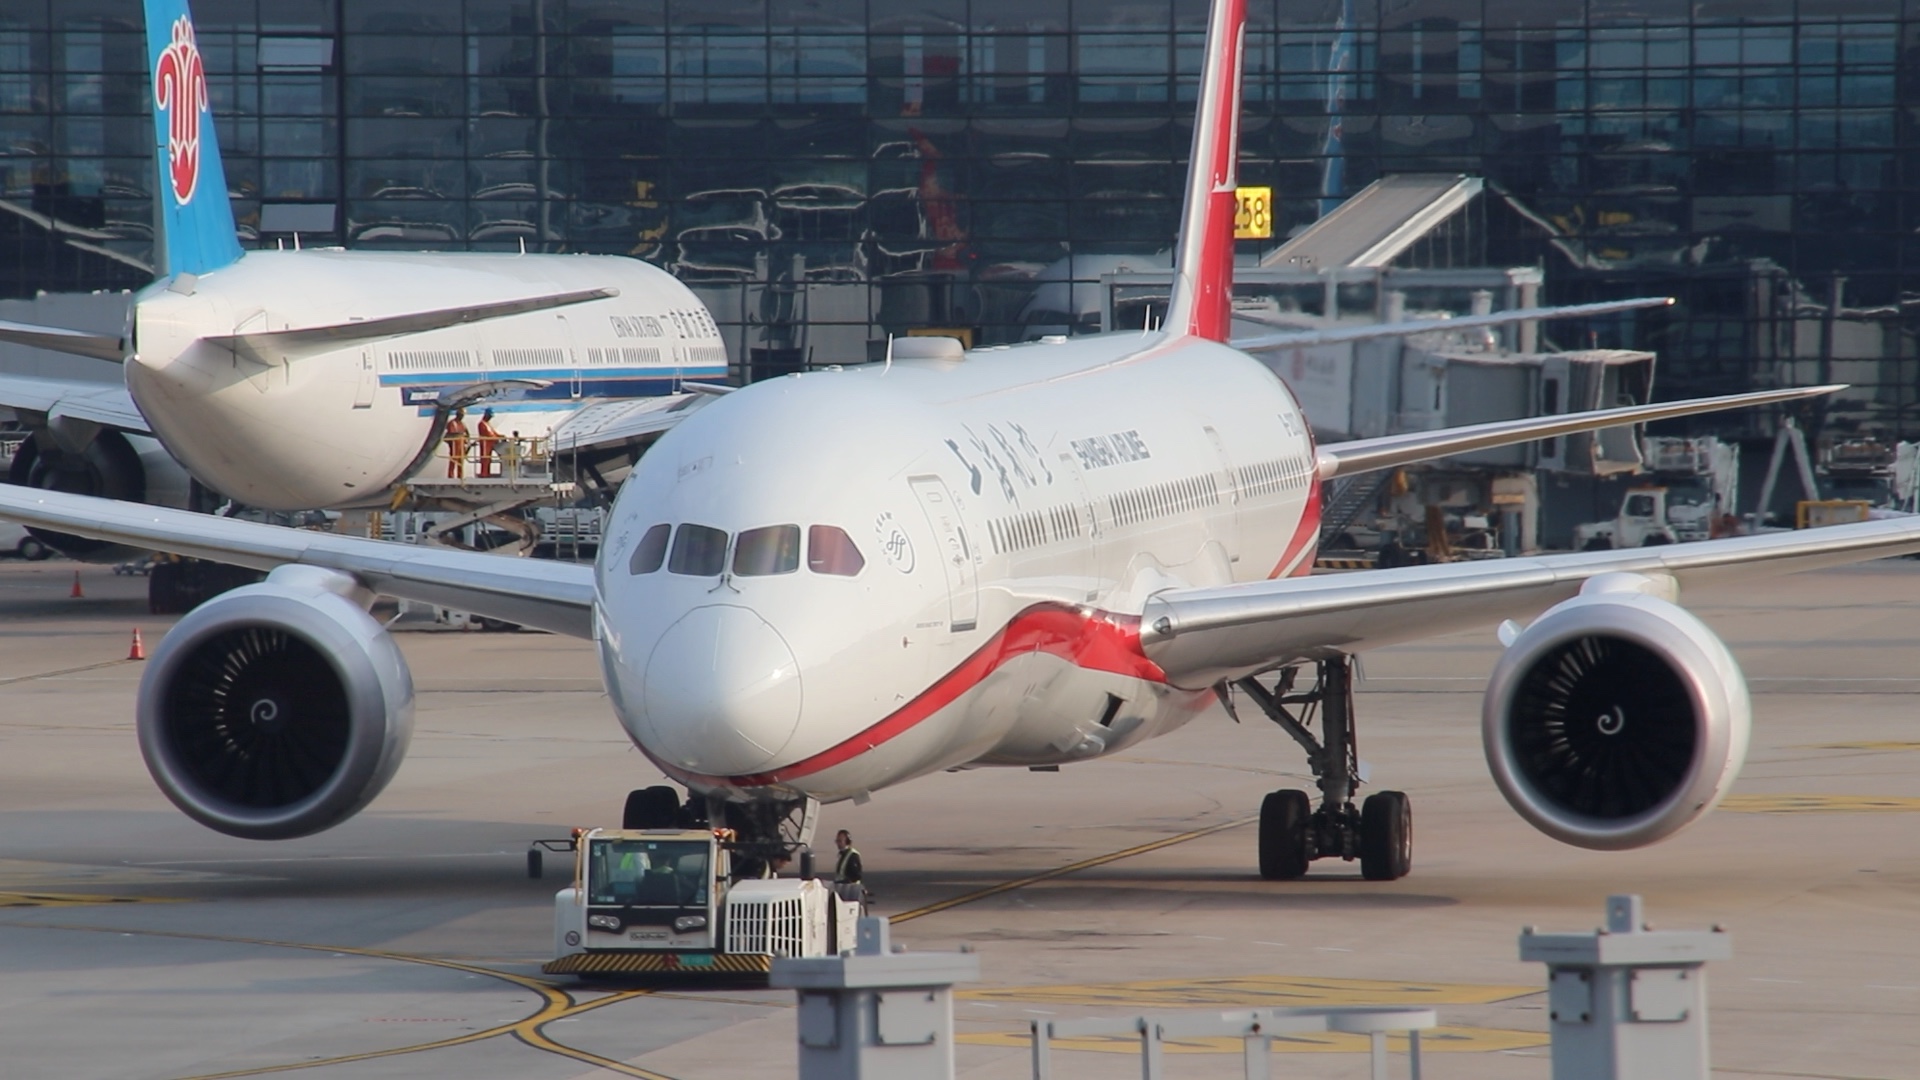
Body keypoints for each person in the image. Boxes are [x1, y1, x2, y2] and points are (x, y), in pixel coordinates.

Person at [833, 829, 866, 903]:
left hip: (850, 892)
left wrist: (845, 882)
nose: (838, 843)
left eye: (840, 841)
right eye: (837, 841)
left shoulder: (853, 855)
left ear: (847, 841)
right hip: (842, 889)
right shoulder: (842, 855)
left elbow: (856, 876)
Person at [476, 408, 501, 478]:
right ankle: (484, 473)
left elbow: (494, 433)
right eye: (490, 416)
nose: (490, 418)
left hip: (490, 444)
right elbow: (487, 434)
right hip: (485, 443)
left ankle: (487, 472)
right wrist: (496, 438)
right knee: (485, 459)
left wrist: (501, 436)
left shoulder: (488, 424)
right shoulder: (481, 424)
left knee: (488, 459)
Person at [444, 408, 469, 479]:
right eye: (461, 415)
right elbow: (452, 434)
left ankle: (460, 477)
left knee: (460, 462)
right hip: (455, 445)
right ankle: (451, 476)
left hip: (461, 445)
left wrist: (467, 443)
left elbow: (467, 433)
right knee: (453, 461)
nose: (462, 416)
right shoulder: (452, 423)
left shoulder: (462, 424)